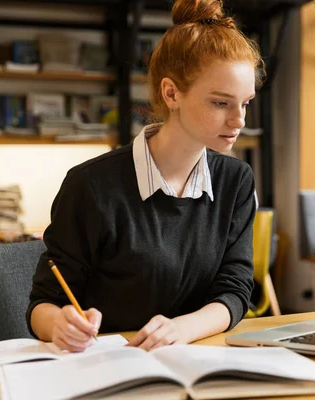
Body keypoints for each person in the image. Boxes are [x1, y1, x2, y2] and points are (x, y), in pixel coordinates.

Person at [27, 0, 263, 352]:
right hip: (112, 366)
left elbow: (235, 289)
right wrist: (59, 324)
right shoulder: (90, 186)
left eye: (244, 103)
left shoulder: (237, 181)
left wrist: (183, 328)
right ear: (171, 93)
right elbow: (42, 304)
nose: (239, 120)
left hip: (198, 360)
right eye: (220, 102)